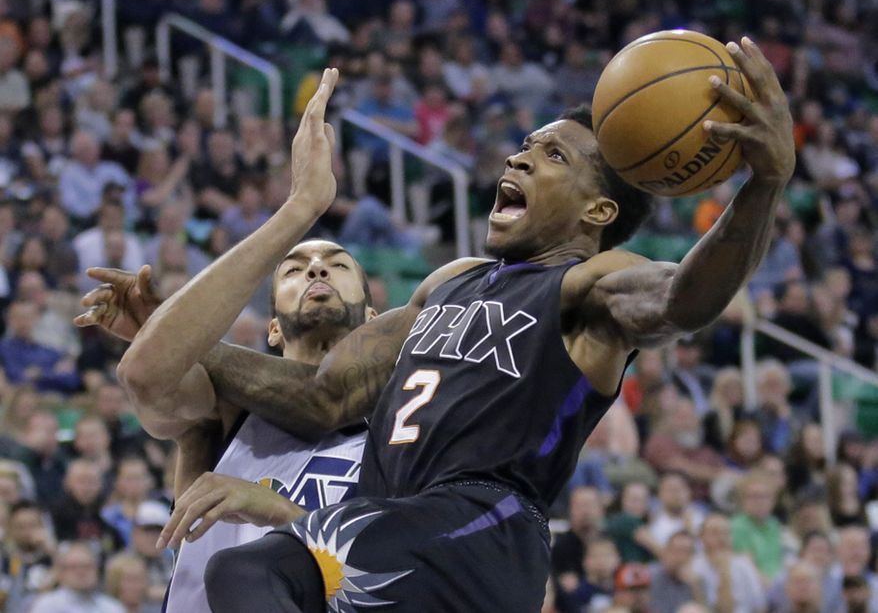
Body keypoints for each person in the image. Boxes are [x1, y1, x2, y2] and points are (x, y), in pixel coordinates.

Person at [120, 44, 792, 612]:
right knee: (253, 574)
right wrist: (173, 331)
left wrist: (762, 186)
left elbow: (683, 299)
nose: (518, 160)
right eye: (525, 147)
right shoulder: (448, 285)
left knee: (254, 572)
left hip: (485, 525)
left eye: (553, 156)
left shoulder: (591, 286)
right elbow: (322, 394)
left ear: (598, 210)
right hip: (395, 529)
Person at [76, 237, 378, 612]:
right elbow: (145, 375)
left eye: (338, 265)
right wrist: (163, 329)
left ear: (373, 320)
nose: (316, 269)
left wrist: (279, 512)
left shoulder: (400, 428)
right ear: (273, 330)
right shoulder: (222, 410)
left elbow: (396, 583)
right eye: (294, 270)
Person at [28, 542, 125, 613]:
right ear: (62, 573)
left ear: (96, 571)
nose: (81, 572)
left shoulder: (112, 608)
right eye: (73, 567)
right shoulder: (46, 606)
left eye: (86, 566)